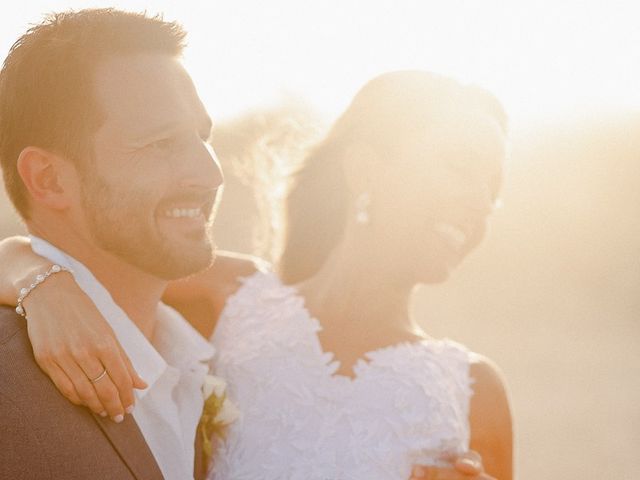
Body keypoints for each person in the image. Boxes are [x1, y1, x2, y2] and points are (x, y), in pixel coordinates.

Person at [0, 69, 508, 479]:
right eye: (460, 166)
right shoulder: (230, 297)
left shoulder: (474, 392)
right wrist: (44, 284)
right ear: (364, 169)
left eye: (493, 187)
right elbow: (82, 260)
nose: (480, 203)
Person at [0, 8, 225, 480]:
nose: (210, 174)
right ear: (49, 179)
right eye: (161, 142)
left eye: (202, 137)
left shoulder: (216, 345)